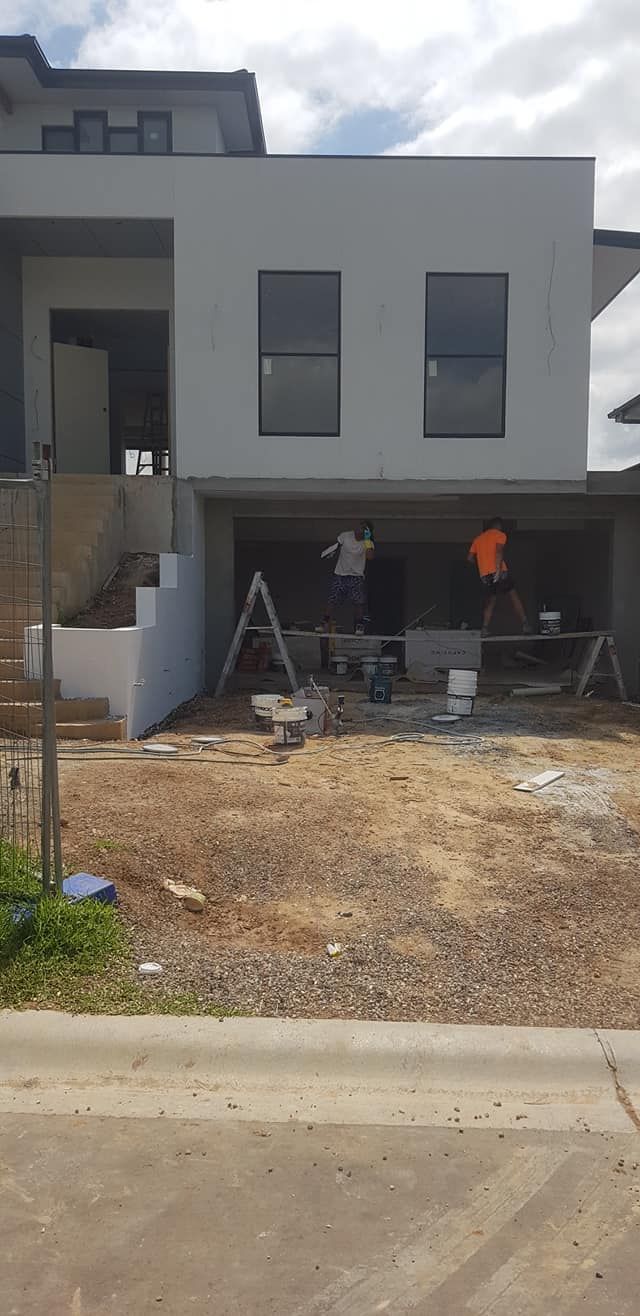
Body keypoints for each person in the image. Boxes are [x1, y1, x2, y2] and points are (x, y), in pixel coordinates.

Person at [468, 518, 531, 637]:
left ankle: (484, 629)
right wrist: (498, 570)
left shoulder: (478, 539)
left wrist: (482, 565)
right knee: (513, 596)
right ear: (498, 525)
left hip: (485, 575)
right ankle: (525, 624)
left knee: (491, 601)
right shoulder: (500, 535)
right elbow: (499, 551)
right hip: (499, 572)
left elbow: (470, 558)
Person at [321, 521, 374, 634]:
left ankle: (359, 625)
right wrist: (330, 553)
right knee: (332, 599)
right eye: (359, 527)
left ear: (367, 532)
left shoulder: (368, 542)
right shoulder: (345, 535)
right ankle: (324, 622)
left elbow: (370, 557)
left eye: (363, 529)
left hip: (356, 576)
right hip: (340, 573)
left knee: (358, 602)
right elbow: (336, 545)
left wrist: (367, 540)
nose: (358, 530)